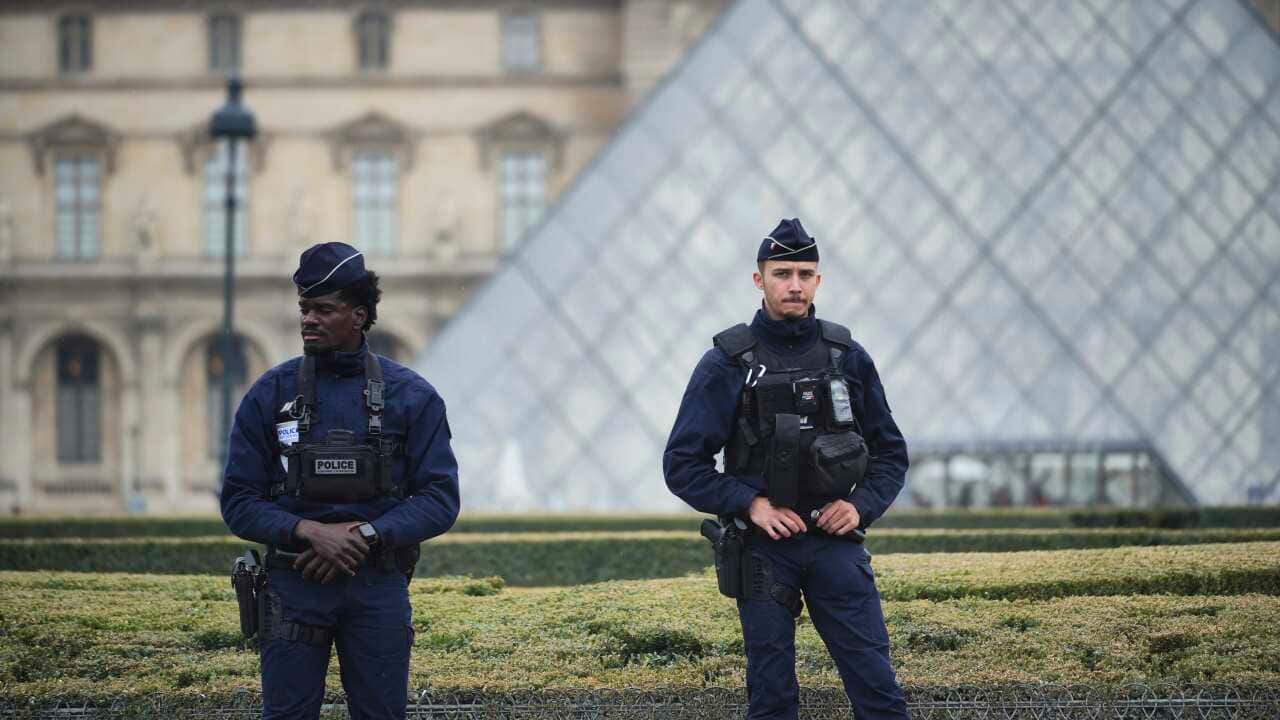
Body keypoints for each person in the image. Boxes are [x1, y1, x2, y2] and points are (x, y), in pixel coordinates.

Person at [664, 218, 910, 719]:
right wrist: (749, 504)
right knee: (772, 699)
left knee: (879, 691)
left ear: (820, 279)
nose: (794, 285)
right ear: (759, 280)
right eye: (782, 273)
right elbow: (682, 464)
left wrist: (858, 507)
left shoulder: (847, 357)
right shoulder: (727, 363)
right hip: (762, 552)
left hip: (834, 542)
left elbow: (890, 454)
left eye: (804, 273)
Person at [220, 242, 460, 720]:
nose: (308, 319)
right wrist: (311, 533)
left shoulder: (412, 396)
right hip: (292, 587)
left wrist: (363, 537)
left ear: (359, 315)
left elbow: (440, 497)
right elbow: (238, 500)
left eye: (323, 310)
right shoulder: (269, 393)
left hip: (376, 585)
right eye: (304, 309)